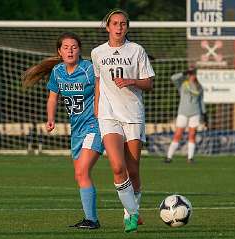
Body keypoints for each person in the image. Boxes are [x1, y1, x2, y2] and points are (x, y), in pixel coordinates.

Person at [22, 32, 103, 229]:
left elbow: (103, 86)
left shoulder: (89, 69)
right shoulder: (57, 72)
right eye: (66, 47)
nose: (70, 50)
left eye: (74, 47)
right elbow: (52, 98)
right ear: (59, 51)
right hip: (76, 130)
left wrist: (100, 109)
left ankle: (93, 220)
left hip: (95, 126)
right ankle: (90, 218)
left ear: (80, 50)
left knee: (83, 170)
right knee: (79, 175)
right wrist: (50, 119)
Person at [91, 9, 155, 233]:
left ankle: (130, 212)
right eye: (115, 23)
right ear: (107, 26)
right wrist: (96, 106)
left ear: (127, 27)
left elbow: (149, 83)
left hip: (133, 114)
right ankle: (133, 213)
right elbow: (99, 82)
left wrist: (131, 81)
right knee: (118, 167)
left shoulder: (137, 50)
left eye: (123, 24)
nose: (119, 27)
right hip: (108, 114)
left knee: (133, 170)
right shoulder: (97, 52)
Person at [165, 67, 208, 164]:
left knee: (192, 135)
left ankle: (190, 158)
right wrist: (183, 72)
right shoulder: (183, 84)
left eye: (193, 73)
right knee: (178, 134)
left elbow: (201, 102)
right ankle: (169, 157)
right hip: (183, 113)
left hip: (195, 114)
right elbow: (173, 78)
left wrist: (205, 115)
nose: (191, 75)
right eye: (190, 73)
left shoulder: (199, 87)